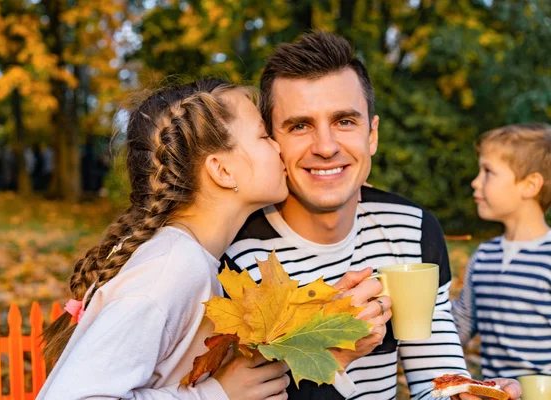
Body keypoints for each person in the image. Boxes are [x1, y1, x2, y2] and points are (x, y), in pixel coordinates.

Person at [222, 31, 522, 400]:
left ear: (372, 135)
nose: (326, 147)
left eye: (344, 121)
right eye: (300, 126)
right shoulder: (237, 255)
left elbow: (437, 378)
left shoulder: (413, 230)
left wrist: (467, 393)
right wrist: (331, 350)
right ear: (271, 143)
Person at [37, 79, 292, 399]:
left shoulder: (194, 261)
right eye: (264, 135)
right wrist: (216, 395)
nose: (280, 146)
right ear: (222, 171)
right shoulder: (172, 270)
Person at [452, 124, 551, 379]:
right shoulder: (484, 257)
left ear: (530, 185)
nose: (475, 182)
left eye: (488, 172)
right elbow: (459, 326)